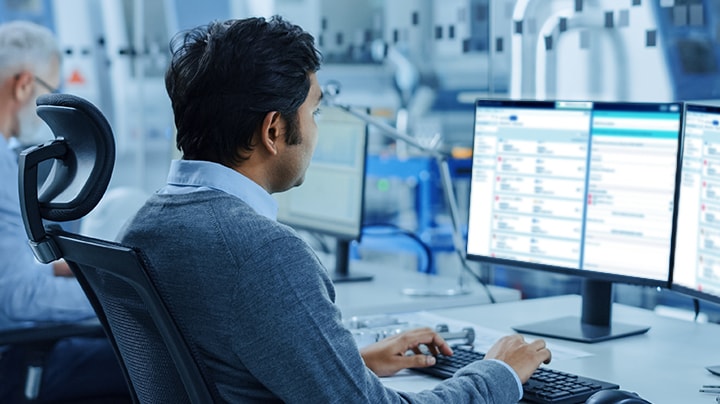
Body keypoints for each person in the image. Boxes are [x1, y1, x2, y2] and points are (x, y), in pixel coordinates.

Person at [120, 16, 552, 402]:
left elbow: (221, 368)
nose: (315, 129)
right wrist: (498, 373)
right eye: (314, 111)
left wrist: (348, 364)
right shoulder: (262, 252)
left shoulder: (146, 226)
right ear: (273, 130)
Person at [0, 20, 129, 403]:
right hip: (13, 361)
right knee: (157, 361)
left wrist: (92, 269)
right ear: (24, 85)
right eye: (48, 90)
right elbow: (18, 298)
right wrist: (126, 298)